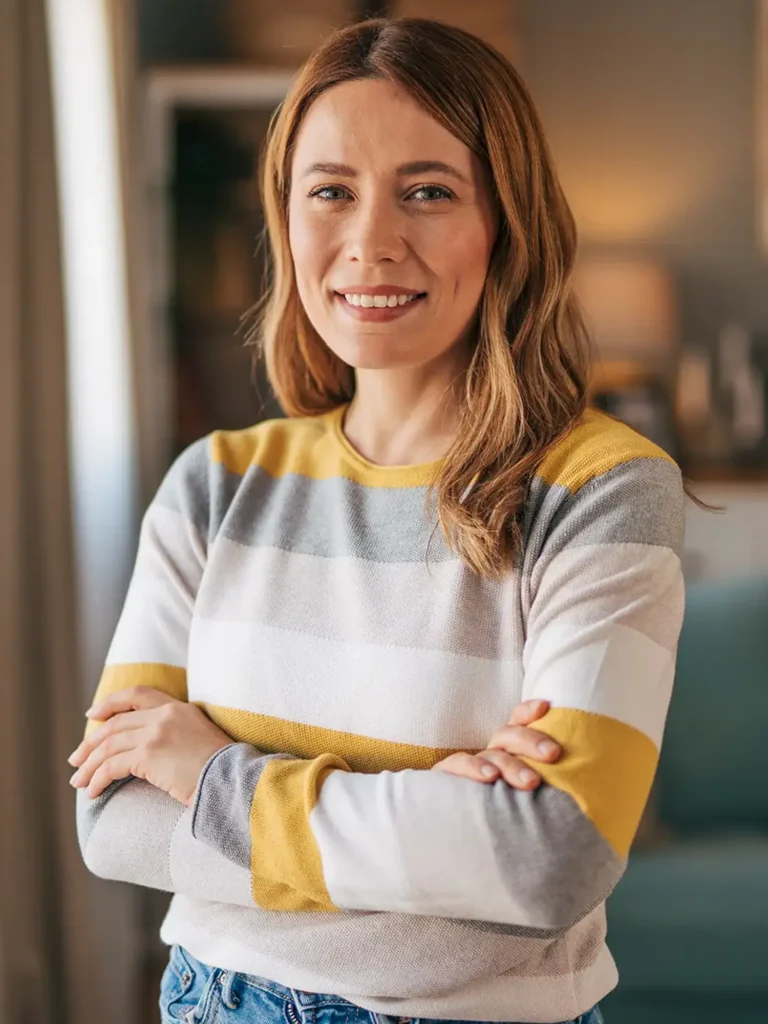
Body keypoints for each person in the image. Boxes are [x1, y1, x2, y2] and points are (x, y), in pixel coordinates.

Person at [68, 16, 684, 1024]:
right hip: (211, 1004)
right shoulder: (213, 484)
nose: (371, 242)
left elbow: (548, 859)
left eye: (428, 191)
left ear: (508, 221)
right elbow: (113, 820)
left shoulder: (603, 490)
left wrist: (214, 776)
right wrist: (435, 817)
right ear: (288, 219)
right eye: (331, 192)